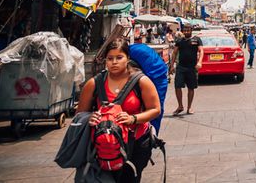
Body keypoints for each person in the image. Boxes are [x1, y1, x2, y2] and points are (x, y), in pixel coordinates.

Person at [77, 39, 161, 183]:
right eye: (110, 58)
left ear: (128, 58)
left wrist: (133, 118)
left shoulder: (142, 81)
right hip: (103, 147)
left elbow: (155, 109)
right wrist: (90, 118)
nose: (114, 62)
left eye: (119, 57)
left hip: (136, 144)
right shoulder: (94, 84)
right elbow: (79, 115)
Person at [170, 23, 204, 115]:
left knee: (191, 87)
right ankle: (180, 106)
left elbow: (201, 51)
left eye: (188, 30)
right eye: (184, 30)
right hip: (181, 67)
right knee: (177, 86)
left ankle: (189, 107)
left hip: (192, 68)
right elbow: (174, 53)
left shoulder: (197, 40)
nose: (186, 32)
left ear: (191, 31)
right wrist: (171, 65)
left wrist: (199, 62)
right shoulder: (180, 40)